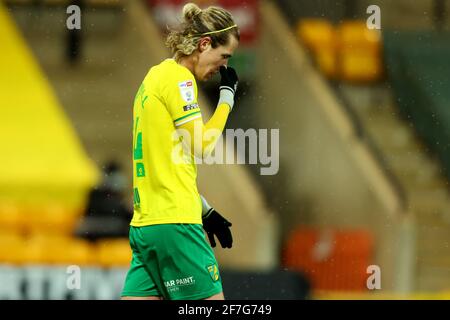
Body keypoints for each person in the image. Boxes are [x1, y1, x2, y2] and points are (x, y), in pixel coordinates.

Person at [121, 3, 239, 300]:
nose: (222, 68)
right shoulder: (180, 81)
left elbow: (163, 163)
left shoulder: (152, 79)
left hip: (145, 228)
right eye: (223, 56)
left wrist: (205, 209)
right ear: (204, 44)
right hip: (176, 226)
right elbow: (201, 146)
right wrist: (227, 100)